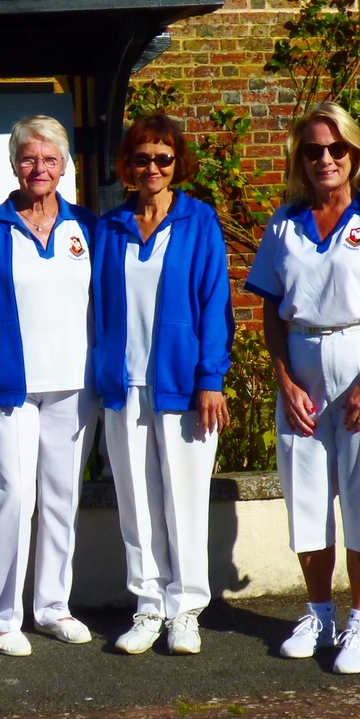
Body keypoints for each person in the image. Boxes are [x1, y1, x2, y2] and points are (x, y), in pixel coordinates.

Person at [245, 103, 360, 675]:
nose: (325, 159)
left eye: (336, 148)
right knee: (306, 492)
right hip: (302, 362)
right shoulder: (284, 222)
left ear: (355, 153)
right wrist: (284, 376)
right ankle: (318, 613)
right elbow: (271, 308)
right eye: (314, 150)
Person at [0, 115, 99, 657]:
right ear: (15, 164)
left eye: (50, 160)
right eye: (30, 159)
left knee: (62, 497)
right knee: (13, 496)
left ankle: (53, 606)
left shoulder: (88, 227)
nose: (40, 169)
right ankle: (2, 616)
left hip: (75, 388)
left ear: (65, 166)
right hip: (9, 388)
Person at [91, 113, 234, 656]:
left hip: (183, 386)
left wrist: (210, 379)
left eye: (163, 158)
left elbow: (214, 305)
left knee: (185, 501)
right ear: (127, 165)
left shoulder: (199, 222)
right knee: (137, 503)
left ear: (178, 164)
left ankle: (186, 609)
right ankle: (147, 606)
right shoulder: (109, 227)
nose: (152, 167)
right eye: (142, 158)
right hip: (122, 385)